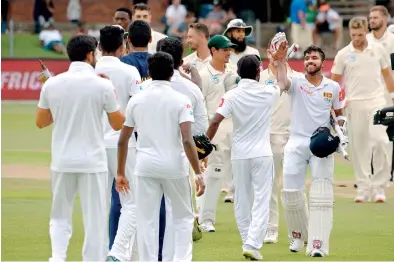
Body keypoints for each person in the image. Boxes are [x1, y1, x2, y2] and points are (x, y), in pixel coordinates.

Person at [35, 34, 124, 261]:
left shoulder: (52, 84)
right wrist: (111, 90)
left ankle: (57, 257)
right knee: (95, 219)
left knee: (59, 215)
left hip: (62, 160)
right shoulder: (102, 84)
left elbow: (41, 122)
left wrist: (61, 105)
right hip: (92, 161)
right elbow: (117, 123)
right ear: (89, 54)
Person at [116, 51, 205, 261]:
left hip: (144, 166)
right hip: (174, 165)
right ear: (171, 73)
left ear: (149, 71)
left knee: (146, 220)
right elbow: (186, 139)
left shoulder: (136, 100)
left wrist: (120, 172)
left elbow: (123, 139)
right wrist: (199, 173)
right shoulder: (181, 99)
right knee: (183, 218)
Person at [137, 38, 208, 259]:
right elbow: (199, 132)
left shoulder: (141, 88)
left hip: (145, 159)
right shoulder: (190, 90)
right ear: (180, 58)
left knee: (147, 218)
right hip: (179, 160)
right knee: (181, 216)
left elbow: (129, 128)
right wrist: (199, 168)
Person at [206, 54, 279, 260]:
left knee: (242, 200)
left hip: (240, 155)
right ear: (258, 72)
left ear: (238, 73)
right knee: (261, 200)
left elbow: (215, 122)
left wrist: (204, 144)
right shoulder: (268, 92)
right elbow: (281, 83)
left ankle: (248, 241)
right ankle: (252, 244)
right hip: (262, 155)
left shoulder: (232, 95)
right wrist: (278, 63)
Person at [277, 44, 344, 257]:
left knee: (321, 195)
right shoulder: (295, 82)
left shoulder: (332, 87)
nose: (309, 61)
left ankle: (318, 244)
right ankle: (298, 236)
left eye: (314, 58)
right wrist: (279, 61)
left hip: (320, 144)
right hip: (296, 143)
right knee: (291, 193)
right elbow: (282, 82)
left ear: (322, 62)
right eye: (306, 58)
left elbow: (339, 114)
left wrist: (341, 133)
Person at [331, 16, 394, 203]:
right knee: (359, 148)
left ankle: (379, 187)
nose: (357, 38)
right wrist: (333, 105)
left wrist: (393, 97)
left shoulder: (379, 50)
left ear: (366, 30)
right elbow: (334, 82)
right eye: (353, 35)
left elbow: (388, 76)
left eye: (360, 34)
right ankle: (363, 188)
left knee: (381, 141)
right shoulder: (343, 54)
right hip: (354, 104)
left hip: (377, 102)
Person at [94, 25, 141, 261]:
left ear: (100, 46)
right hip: (124, 144)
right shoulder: (130, 71)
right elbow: (137, 110)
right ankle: (118, 252)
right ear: (123, 46)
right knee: (131, 202)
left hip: (94, 145)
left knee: (99, 204)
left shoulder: (90, 70)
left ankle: (102, 254)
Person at [108, 19, 151, 254]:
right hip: (147, 137)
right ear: (150, 39)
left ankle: (116, 248)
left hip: (125, 138)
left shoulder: (123, 64)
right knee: (144, 199)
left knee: (121, 198)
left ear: (128, 41)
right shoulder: (158, 62)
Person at [259, 37, 304, 244]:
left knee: (294, 187)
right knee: (269, 186)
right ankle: (271, 228)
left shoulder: (298, 77)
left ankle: (300, 231)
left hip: (293, 137)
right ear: (269, 51)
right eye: (277, 48)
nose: (280, 52)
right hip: (268, 135)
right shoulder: (260, 77)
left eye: (284, 48)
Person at [197, 35, 238, 232]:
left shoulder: (233, 73)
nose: (228, 52)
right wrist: (203, 137)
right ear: (213, 50)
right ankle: (205, 219)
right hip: (213, 133)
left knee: (239, 178)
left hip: (234, 132)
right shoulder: (203, 74)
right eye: (224, 49)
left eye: (229, 49)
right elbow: (200, 107)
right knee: (213, 175)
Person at [367, 5, 394, 182]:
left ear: (384, 19)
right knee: (373, 136)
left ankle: (389, 174)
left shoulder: (393, 40)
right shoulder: (366, 40)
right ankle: (372, 175)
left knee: (390, 135)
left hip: (390, 92)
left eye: (375, 18)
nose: (372, 21)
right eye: (370, 18)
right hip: (372, 95)